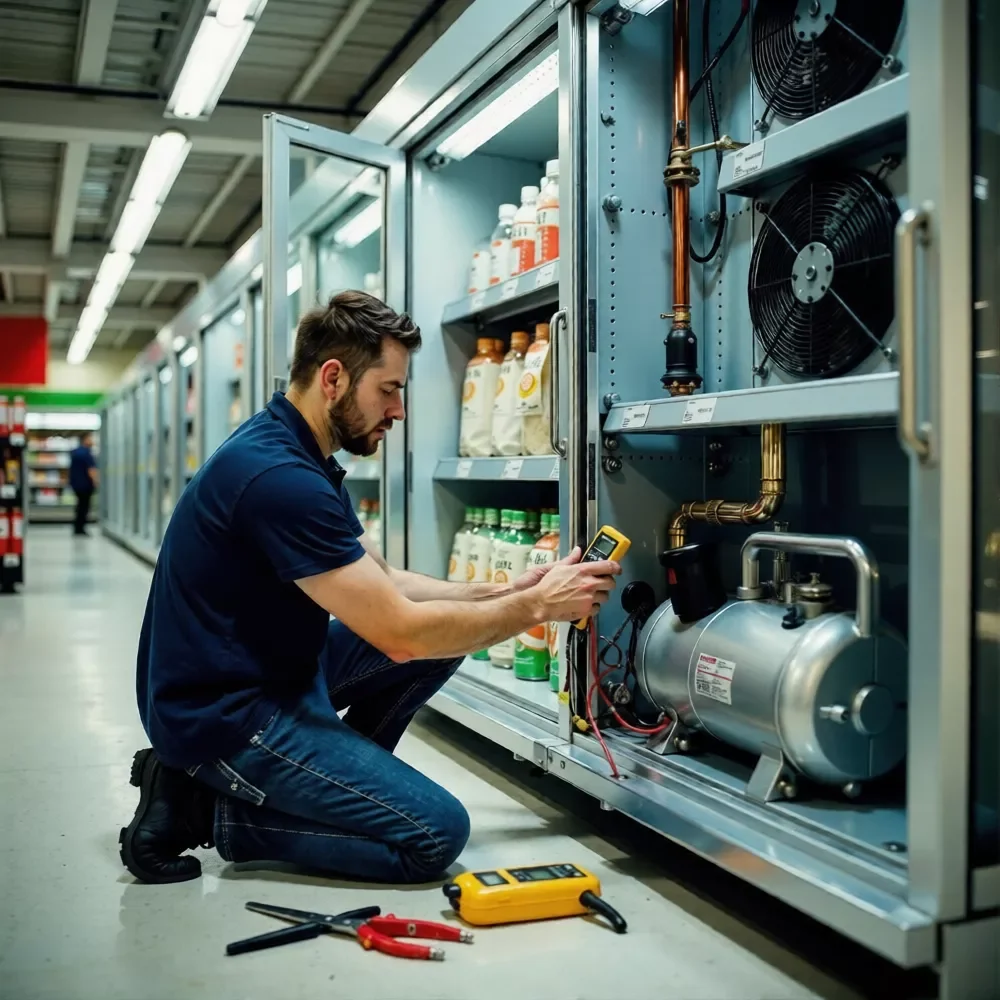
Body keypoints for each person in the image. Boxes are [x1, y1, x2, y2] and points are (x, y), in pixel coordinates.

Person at [120, 290, 620, 886]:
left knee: (449, 636)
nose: (399, 411)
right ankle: (207, 808)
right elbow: (401, 633)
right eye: (389, 389)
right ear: (333, 378)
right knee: (434, 835)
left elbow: (382, 580)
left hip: (265, 671)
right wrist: (537, 606)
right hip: (223, 715)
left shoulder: (295, 448)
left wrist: (501, 592)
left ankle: (335, 785)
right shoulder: (280, 479)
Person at [69, 432, 98, 535]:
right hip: (85, 485)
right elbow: (91, 470)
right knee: (84, 507)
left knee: (79, 506)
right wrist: (96, 481)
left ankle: (77, 527)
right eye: (91, 438)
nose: (93, 441)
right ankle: (80, 528)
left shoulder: (75, 452)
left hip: (76, 484)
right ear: (85, 440)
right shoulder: (87, 453)